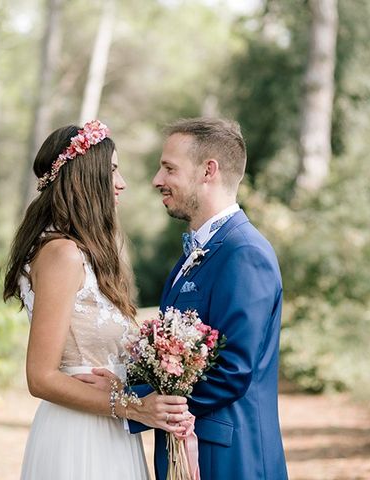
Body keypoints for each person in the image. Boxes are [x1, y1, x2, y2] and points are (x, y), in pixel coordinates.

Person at [3, 120, 189, 480]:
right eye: (113, 171)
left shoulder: (84, 254)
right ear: (85, 177)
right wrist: (134, 407)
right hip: (78, 434)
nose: (121, 184)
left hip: (110, 427)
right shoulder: (62, 254)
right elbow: (40, 377)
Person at [122, 118, 289, 479]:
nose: (157, 180)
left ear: (208, 171)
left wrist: (138, 402)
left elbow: (233, 370)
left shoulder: (244, 253)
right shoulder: (193, 254)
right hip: (185, 451)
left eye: (169, 168)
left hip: (228, 459)